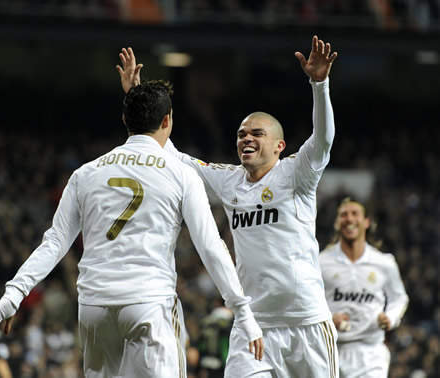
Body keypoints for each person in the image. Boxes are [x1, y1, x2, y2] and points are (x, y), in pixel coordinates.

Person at [0, 79, 264, 377]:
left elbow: (54, 242)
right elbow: (210, 246)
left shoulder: (85, 173)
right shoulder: (181, 174)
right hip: (149, 303)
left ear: (124, 121)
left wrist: (13, 295)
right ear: (167, 120)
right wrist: (243, 312)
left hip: (94, 307)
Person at [117, 35, 339, 377]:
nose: (246, 138)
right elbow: (174, 159)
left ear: (280, 145)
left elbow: (323, 139)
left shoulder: (297, 173)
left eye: (256, 133)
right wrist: (137, 98)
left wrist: (319, 84)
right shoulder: (229, 179)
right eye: (240, 134)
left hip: (306, 321)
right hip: (254, 324)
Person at [319, 197, 409, 378]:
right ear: (337, 223)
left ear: (367, 222)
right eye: (344, 215)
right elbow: (308, 301)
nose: (349, 219)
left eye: (355, 213)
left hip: (370, 352)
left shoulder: (384, 263)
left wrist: (390, 317)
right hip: (330, 350)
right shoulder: (321, 262)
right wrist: (328, 319)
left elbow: (399, 298)